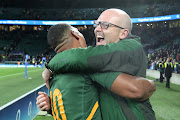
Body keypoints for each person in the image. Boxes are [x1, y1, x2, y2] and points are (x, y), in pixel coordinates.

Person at [38, 9, 156, 120]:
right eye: (97, 24)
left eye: (104, 25)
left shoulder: (132, 46)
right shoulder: (90, 65)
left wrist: (50, 67)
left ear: (123, 33)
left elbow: (80, 57)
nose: (97, 29)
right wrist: (52, 107)